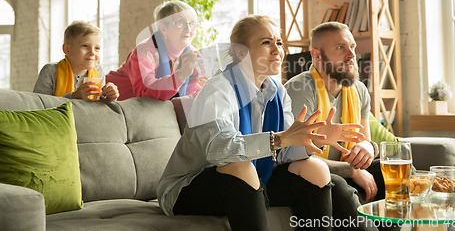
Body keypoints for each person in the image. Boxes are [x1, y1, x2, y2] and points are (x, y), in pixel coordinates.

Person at [156, 15, 367, 231]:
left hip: (254, 178)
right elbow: (220, 151)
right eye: (266, 42)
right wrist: (281, 139)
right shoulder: (219, 90)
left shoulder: (278, 92)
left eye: (279, 43)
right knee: (240, 165)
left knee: (315, 168)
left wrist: (315, 137)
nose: (277, 50)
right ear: (241, 52)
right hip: (189, 187)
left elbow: (284, 153)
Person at [285, 21, 384, 204]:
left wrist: (368, 148)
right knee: (340, 187)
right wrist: (351, 170)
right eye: (341, 47)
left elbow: (364, 139)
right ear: (317, 56)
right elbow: (292, 158)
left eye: (352, 46)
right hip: (312, 174)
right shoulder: (300, 89)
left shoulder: (359, 90)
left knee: (402, 173)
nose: (352, 55)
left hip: (346, 167)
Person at [106, 0, 202, 103]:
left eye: (192, 24)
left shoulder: (193, 55)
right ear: (163, 28)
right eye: (180, 23)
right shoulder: (144, 52)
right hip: (107, 102)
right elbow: (145, 94)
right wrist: (180, 76)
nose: (188, 29)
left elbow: (194, 93)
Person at [33, 21, 119, 101]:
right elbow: (39, 105)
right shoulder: (50, 71)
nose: (92, 52)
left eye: (97, 48)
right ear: (67, 49)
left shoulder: (99, 71)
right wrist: (73, 97)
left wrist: (110, 97)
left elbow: (100, 106)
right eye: (85, 46)